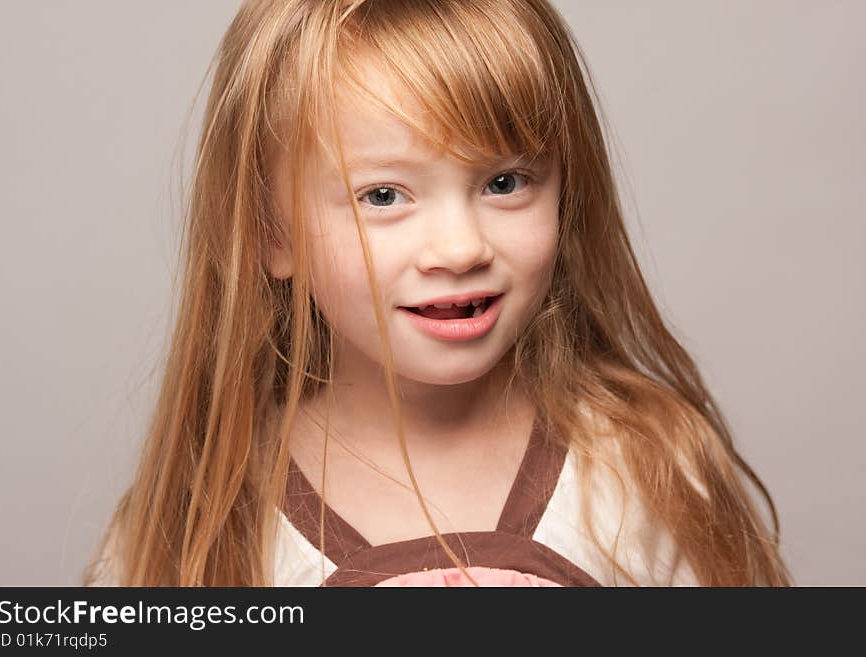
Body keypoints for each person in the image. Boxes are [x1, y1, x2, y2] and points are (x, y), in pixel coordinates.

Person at [84, 0, 792, 587]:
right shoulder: (202, 517)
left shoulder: (650, 470)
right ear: (274, 235)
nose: (459, 248)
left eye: (504, 182)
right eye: (384, 195)